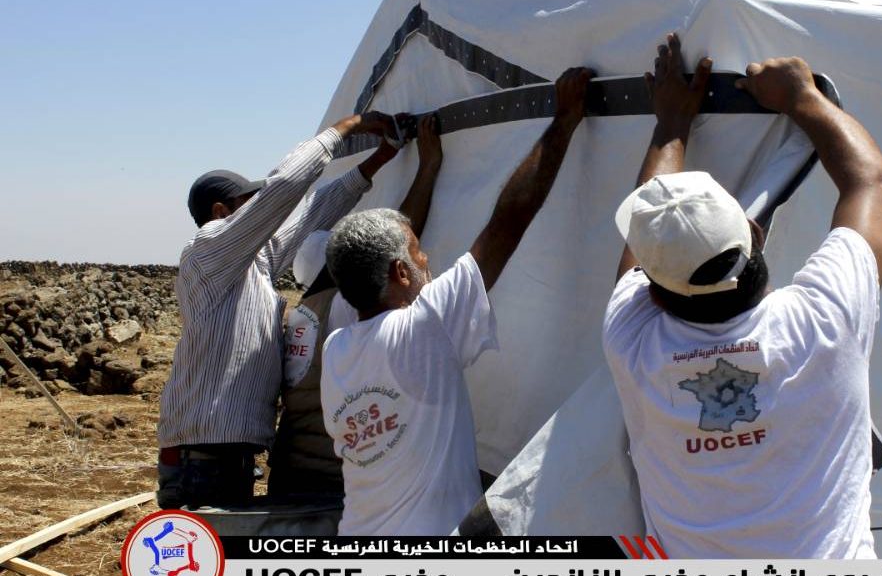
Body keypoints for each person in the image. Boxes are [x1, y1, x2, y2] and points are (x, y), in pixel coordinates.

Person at [602, 33, 882, 558]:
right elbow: (870, 184)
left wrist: (671, 124)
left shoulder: (631, 340)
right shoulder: (824, 320)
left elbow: (643, 241)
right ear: (755, 236)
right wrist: (802, 96)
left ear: (654, 289)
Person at [320, 67, 595, 535]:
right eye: (418, 251)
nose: (429, 257)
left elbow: (380, 258)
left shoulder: (337, 348)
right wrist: (564, 120)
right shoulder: (424, 328)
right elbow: (509, 221)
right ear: (401, 272)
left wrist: (427, 169)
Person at [157, 111, 404, 509]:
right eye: (248, 204)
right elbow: (285, 187)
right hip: (202, 459)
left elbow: (312, 211)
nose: (261, 211)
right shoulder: (208, 250)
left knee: (224, 563)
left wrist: (380, 158)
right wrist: (347, 128)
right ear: (221, 214)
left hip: (221, 456)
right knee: (205, 565)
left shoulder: (254, 262)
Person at [269, 116, 445, 500]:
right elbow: (398, 242)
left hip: (289, 470)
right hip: (332, 482)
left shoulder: (304, 312)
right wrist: (428, 167)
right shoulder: (344, 309)